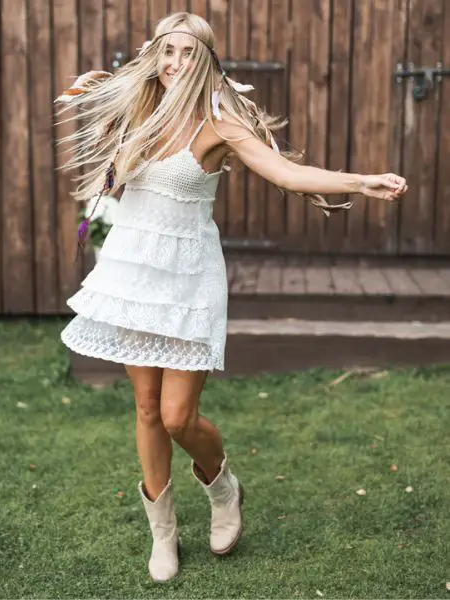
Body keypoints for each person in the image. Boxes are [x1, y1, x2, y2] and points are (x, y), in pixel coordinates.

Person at [55, 11, 407, 584]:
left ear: (207, 60)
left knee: (176, 417)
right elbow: (113, 183)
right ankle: (163, 534)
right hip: (132, 271)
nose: (173, 63)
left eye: (187, 52)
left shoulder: (222, 123)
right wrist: (116, 157)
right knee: (146, 408)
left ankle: (222, 485)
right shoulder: (138, 111)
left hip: (189, 275)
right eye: (165, 51)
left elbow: (286, 174)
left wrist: (359, 182)